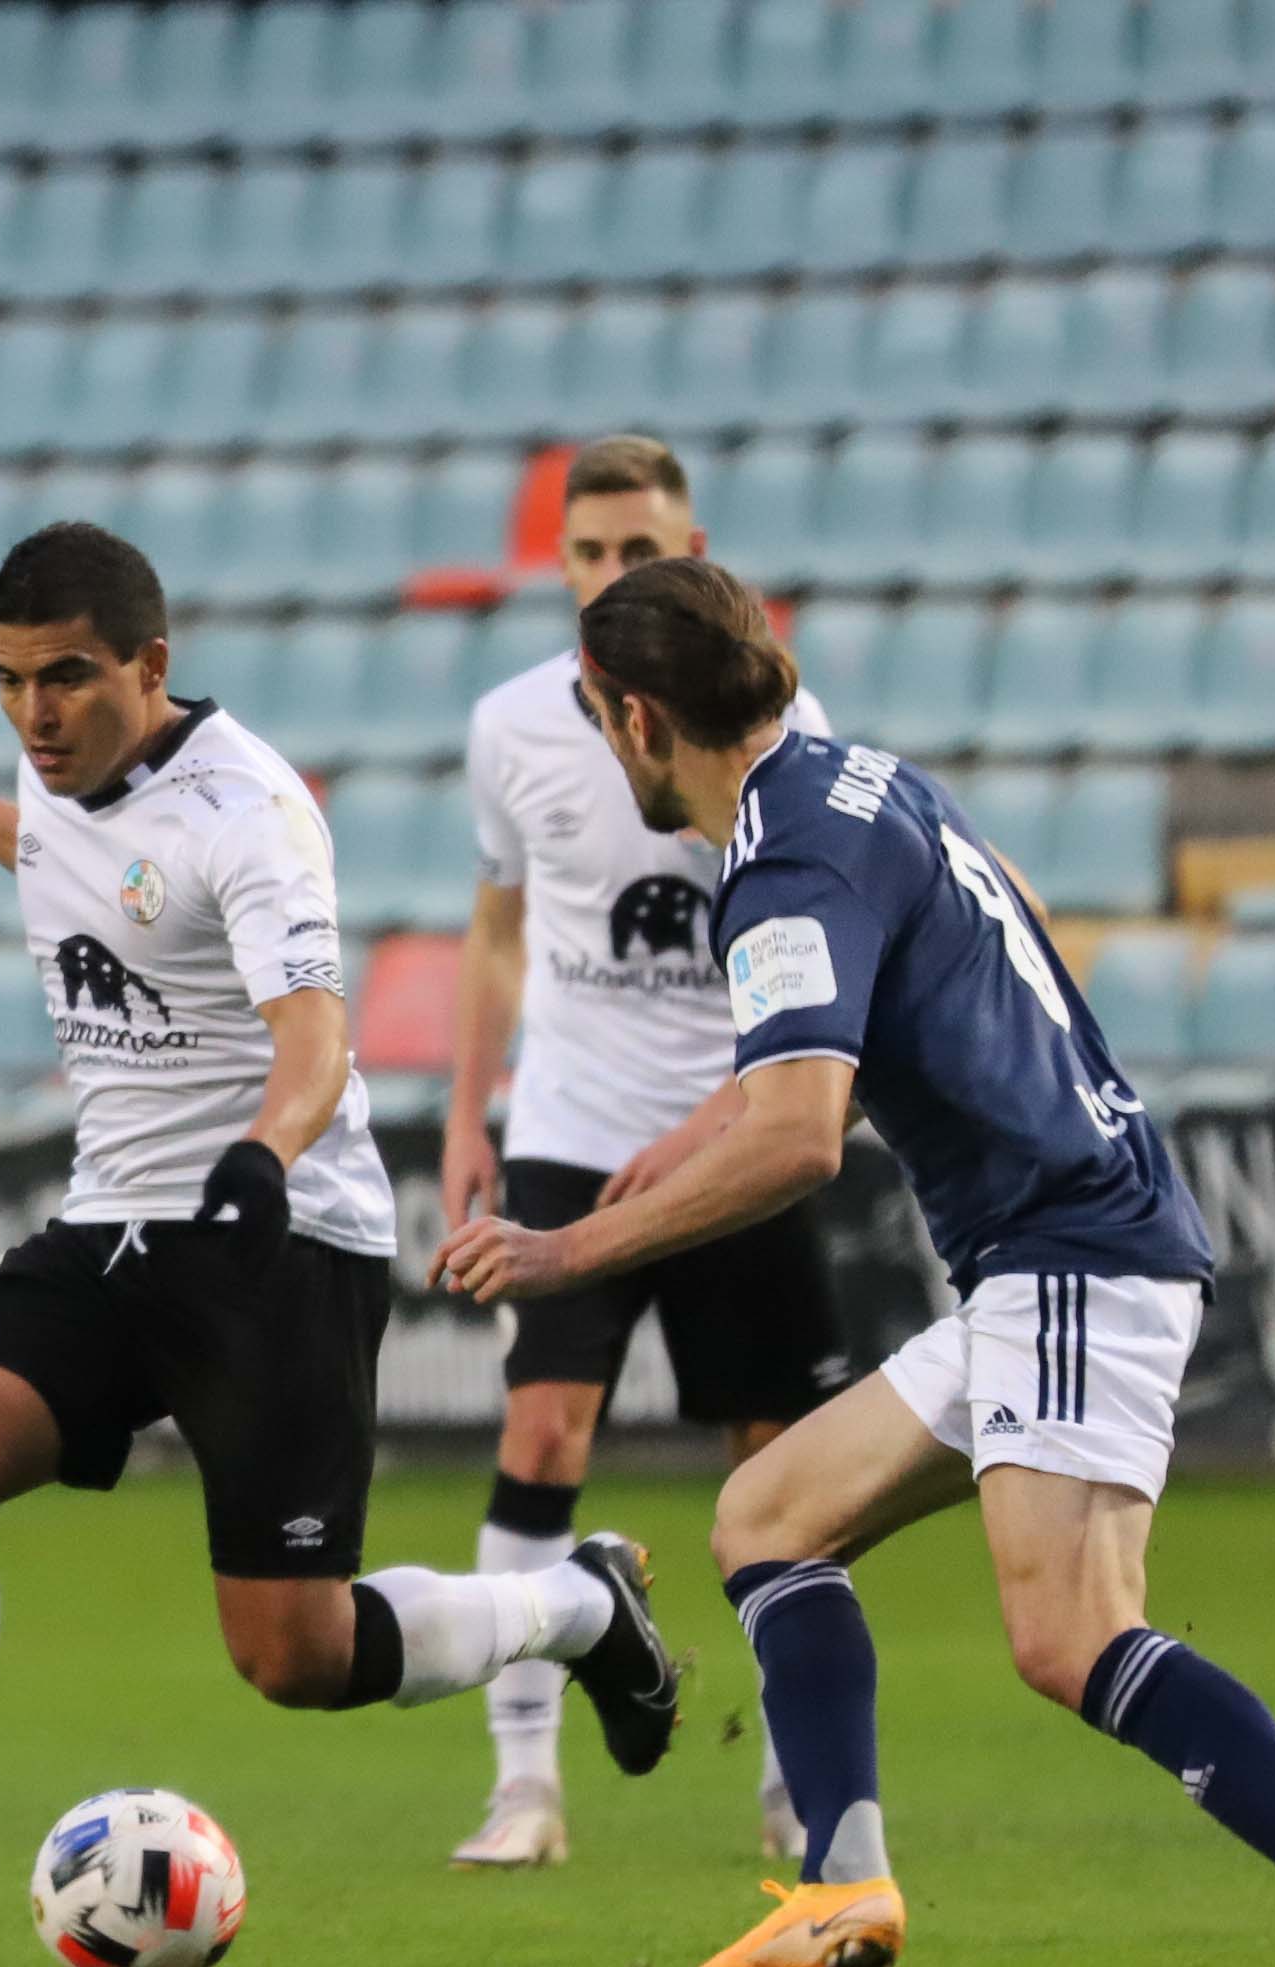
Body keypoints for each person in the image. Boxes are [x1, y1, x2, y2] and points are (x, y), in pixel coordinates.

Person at [433, 558, 1275, 1967]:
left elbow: (802, 1138)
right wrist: (700, 1128)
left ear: (633, 720)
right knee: (768, 1516)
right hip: (1057, 1252)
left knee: (1071, 1637)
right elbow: (903, 1017)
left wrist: (566, 1253)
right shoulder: (862, 783)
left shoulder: (780, 866)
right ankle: (839, 1882)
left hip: (1068, 1255)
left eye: (606, 719)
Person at [0, 523, 680, 1957]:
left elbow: (316, 1034)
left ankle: (576, 1607)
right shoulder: (61, 778)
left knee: (291, 1658)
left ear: (150, 665)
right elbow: (65, 854)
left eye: (67, 678)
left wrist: (258, 1157)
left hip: (274, 1241)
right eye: (6, 681)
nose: (35, 715)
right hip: (110, 1226)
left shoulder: (252, 812)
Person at [443, 436, 850, 1871]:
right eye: (592, 554)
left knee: (783, 1468)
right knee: (540, 1430)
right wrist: (466, 1119)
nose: (616, 575)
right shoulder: (508, 729)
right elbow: (496, 935)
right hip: (569, 1126)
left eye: (643, 552)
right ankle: (523, 1787)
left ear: (693, 558)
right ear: (561, 566)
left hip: (741, 1127)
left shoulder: (760, 723)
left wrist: (742, 1105)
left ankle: (799, 1782)